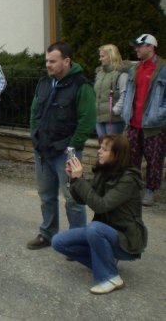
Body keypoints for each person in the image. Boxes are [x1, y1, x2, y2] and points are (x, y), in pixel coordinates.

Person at [52, 134, 148, 295]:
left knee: (95, 228)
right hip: (105, 232)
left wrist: (80, 180)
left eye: (104, 149)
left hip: (127, 240)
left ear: (117, 154)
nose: (99, 152)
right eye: (100, 147)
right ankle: (106, 262)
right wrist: (74, 180)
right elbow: (83, 200)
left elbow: (100, 206)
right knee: (58, 242)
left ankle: (110, 277)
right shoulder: (104, 172)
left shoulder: (129, 179)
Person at [27, 41, 96, 250]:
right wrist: (34, 136)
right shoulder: (44, 83)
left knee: (73, 200)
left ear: (66, 61)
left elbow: (87, 120)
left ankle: (76, 241)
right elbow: (33, 112)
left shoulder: (81, 86)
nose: (48, 65)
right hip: (42, 150)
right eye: (47, 61)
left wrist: (72, 149)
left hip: (66, 153)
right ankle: (47, 234)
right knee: (46, 196)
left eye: (53, 61)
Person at [121, 34, 166, 207]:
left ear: (150, 47)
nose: (136, 49)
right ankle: (132, 188)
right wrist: (126, 111)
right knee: (131, 158)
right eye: (136, 46)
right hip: (133, 123)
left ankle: (150, 190)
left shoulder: (163, 69)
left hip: (153, 125)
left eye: (140, 46)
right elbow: (128, 93)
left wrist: (160, 114)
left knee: (154, 159)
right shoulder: (135, 69)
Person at [94, 44, 129, 137]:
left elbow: (125, 95)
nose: (100, 59)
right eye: (100, 56)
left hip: (114, 120)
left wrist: (115, 111)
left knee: (113, 148)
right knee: (103, 146)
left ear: (111, 56)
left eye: (102, 56)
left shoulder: (121, 74)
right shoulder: (99, 73)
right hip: (99, 117)